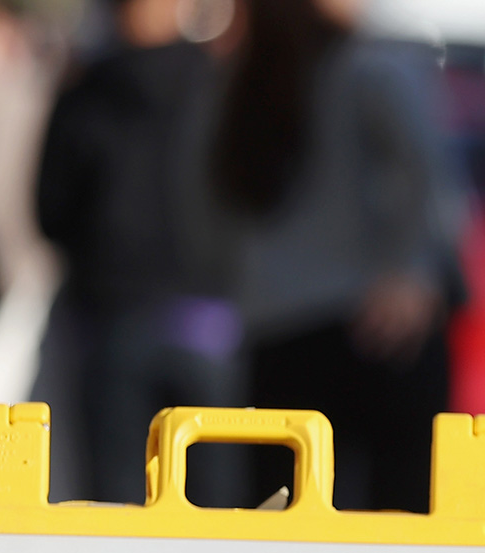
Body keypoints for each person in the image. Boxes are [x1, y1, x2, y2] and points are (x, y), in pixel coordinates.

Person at [206, 0, 459, 512]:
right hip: (379, 329)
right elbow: (429, 174)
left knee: (282, 529)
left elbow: (202, 212)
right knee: (400, 530)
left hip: (275, 335)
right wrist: (413, 269)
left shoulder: (233, 84)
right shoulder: (370, 66)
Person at [36, 0, 235, 503]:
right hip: (208, 319)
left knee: (118, 504)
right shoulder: (218, 83)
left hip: (112, 319)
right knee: (220, 509)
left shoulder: (86, 91)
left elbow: (48, 209)